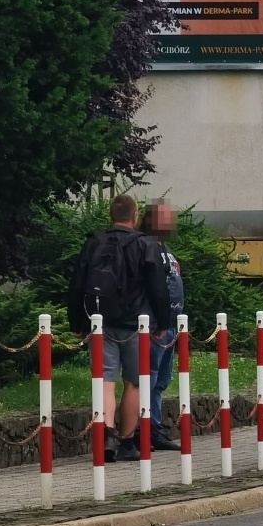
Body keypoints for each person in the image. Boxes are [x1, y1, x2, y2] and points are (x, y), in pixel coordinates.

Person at [68, 194, 172, 462]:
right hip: (136, 325)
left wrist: (77, 322)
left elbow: (77, 284)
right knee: (134, 383)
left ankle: (107, 439)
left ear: (111, 215)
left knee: (105, 382)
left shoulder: (94, 242)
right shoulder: (145, 245)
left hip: (100, 322)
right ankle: (127, 443)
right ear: (135, 216)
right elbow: (158, 288)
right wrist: (162, 322)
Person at [142, 201, 184, 453]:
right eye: (164, 218)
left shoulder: (163, 248)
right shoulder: (146, 248)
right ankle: (149, 428)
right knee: (150, 377)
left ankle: (154, 427)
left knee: (161, 380)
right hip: (156, 327)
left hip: (168, 327)